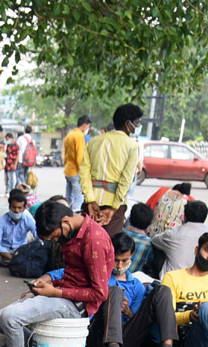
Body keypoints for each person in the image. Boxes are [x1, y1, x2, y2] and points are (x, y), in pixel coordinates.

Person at [0, 201, 112, 347]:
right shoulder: (71, 233)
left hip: (76, 306)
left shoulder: (95, 240)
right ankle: (33, 346)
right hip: (61, 294)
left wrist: (55, 291)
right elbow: (74, 277)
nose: (55, 242)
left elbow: (99, 294)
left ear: (65, 221)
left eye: (55, 237)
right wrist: (47, 285)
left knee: (10, 318)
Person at [57, 232, 181, 347]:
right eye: (116, 260)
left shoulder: (136, 285)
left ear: (131, 257)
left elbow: (135, 319)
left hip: (126, 340)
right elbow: (59, 273)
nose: (120, 265)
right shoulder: (96, 275)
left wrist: (127, 311)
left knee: (163, 290)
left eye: (124, 260)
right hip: (97, 336)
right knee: (114, 291)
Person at [78, 103, 143, 236]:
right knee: (109, 247)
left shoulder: (93, 142)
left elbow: (84, 174)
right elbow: (126, 181)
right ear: (127, 123)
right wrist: (113, 209)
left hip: (91, 204)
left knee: (87, 243)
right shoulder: (132, 146)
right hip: (115, 205)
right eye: (137, 123)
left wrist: (90, 200)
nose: (138, 127)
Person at [152, 200, 208, 278]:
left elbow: (154, 240)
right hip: (202, 280)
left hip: (173, 280)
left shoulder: (174, 233)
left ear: (185, 216)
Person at [0, 189, 36, 263]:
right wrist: (10, 257)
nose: (16, 210)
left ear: (24, 208)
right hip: (4, 252)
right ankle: (16, 262)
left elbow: (38, 236)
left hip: (20, 250)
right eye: (14, 207)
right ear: (9, 207)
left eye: (19, 208)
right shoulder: (1, 220)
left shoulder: (28, 220)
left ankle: (13, 262)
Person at [63, 115, 92, 210]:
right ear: (84, 125)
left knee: (68, 198)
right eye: (88, 126)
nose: (88, 129)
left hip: (68, 170)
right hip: (76, 172)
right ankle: (75, 216)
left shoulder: (70, 134)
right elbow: (80, 156)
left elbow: (66, 154)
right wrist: (83, 171)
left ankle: (64, 213)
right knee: (79, 198)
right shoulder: (79, 136)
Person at [122, 203, 154, 274]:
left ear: (129, 219)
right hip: (133, 280)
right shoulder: (149, 244)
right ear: (148, 224)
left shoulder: (119, 233)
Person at [15, 125, 35, 189]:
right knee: (26, 173)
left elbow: (17, 148)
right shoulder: (32, 139)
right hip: (29, 160)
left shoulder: (20, 138)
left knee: (20, 174)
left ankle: (25, 187)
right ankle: (25, 186)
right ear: (31, 131)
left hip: (21, 159)